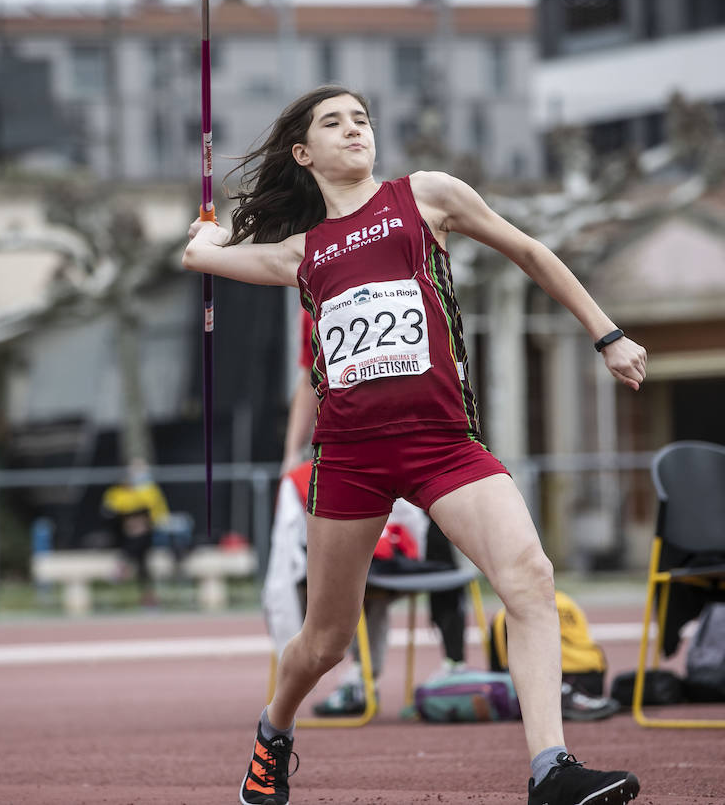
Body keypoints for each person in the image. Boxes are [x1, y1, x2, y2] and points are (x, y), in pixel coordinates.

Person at [183, 85, 645, 805]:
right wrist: (204, 235)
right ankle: (274, 732)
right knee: (325, 643)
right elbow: (203, 258)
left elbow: (527, 249)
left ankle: (550, 767)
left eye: (361, 119)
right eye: (333, 124)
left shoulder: (424, 196)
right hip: (350, 459)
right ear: (304, 154)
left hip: (442, 443)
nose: (353, 131)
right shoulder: (302, 252)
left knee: (530, 577)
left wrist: (606, 333)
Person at [283, 307, 472, 698]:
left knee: (442, 548)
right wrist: (291, 454)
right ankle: (342, 679)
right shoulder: (311, 295)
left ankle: (455, 661)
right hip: (353, 452)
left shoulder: (412, 262)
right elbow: (307, 377)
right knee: (348, 574)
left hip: (422, 439)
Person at [264, 459, 429, 716]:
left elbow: (412, 522)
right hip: (328, 568)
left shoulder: (381, 463)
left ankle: (362, 679)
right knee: (327, 641)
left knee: (370, 593)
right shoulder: (299, 480)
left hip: (375, 564)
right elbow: (286, 553)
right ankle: (296, 700)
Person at [101, 458, 169, 607]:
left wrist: (141, 521)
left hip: (148, 533)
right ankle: (148, 596)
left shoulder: (149, 489)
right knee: (141, 553)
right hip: (123, 534)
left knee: (140, 543)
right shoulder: (117, 491)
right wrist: (130, 520)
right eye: (135, 471)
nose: (138, 475)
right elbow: (110, 511)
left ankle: (123, 562)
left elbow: (158, 513)